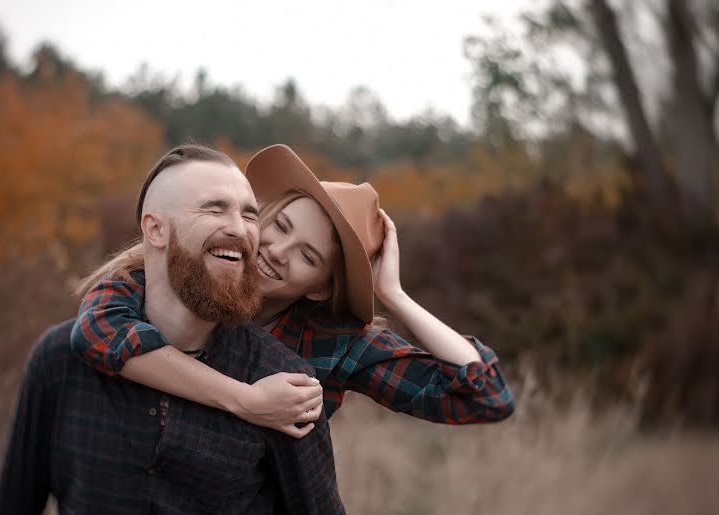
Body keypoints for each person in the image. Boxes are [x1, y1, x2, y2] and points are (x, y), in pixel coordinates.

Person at [0, 145, 361, 515]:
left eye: (251, 214)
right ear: (155, 230)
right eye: (215, 208)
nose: (239, 229)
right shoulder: (61, 361)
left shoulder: (285, 389)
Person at [71, 144, 514, 439]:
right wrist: (246, 401)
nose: (276, 251)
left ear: (321, 290)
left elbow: (486, 397)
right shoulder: (186, 272)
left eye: (307, 256)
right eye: (278, 225)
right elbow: (97, 328)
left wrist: (394, 294)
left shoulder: (336, 345)